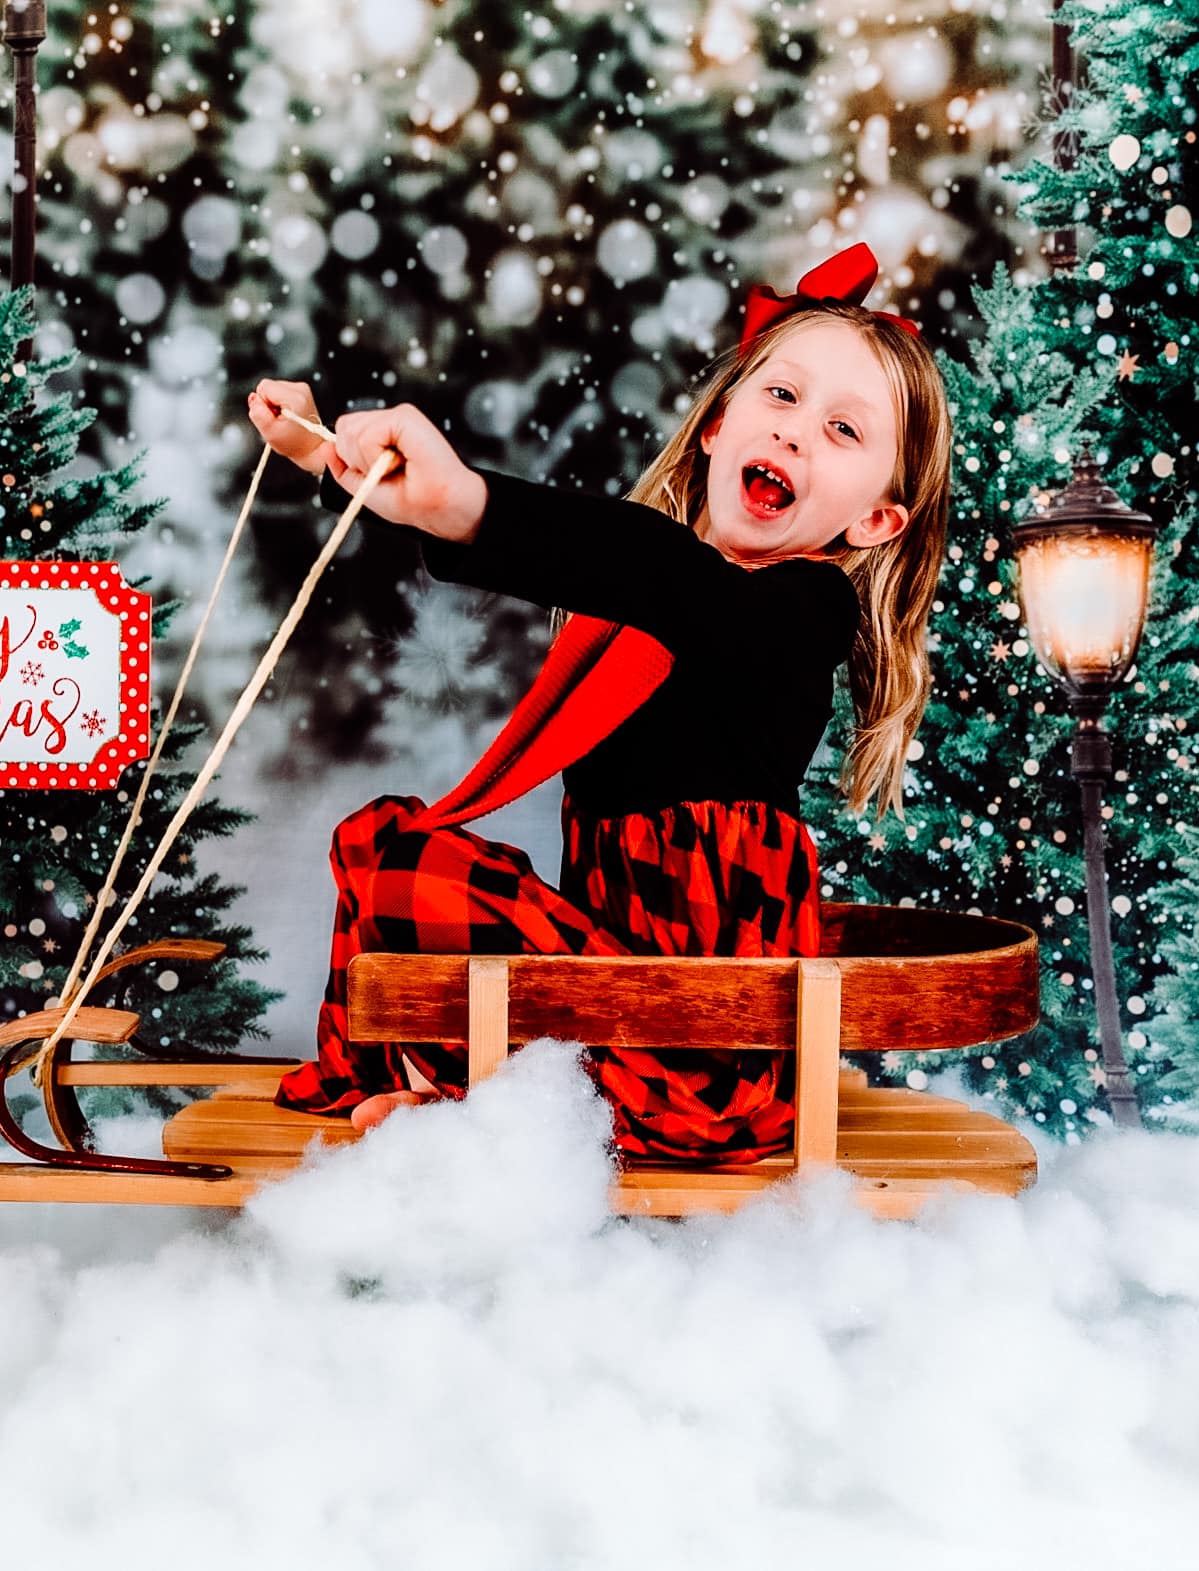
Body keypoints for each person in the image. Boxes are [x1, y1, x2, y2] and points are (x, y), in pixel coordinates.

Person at [245, 240, 951, 1164]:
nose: (792, 431)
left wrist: (464, 502)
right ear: (715, 427)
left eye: (843, 430)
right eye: (780, 396)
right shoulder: (643, 609)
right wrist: (329, 453)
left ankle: (460, 1102)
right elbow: (644, 571)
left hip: (714, 1060)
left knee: (408, 867)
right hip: (609, 1010)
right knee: (380, 843)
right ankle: (377, 1078)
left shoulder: (804, 609)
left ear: (875, 521)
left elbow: (658, 570)